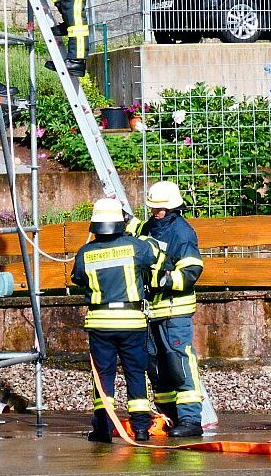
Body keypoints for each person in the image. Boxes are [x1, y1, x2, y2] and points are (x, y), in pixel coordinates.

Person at [71, 198, 164, 443]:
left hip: (100, 323)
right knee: (136, 373)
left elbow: (78, 278)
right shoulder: (136, 247)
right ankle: (141, 429)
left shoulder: (86, 252)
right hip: (132, 322)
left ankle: (103, 429)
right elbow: (157, 258)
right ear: (120, 222)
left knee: (103, 377)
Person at [128, 180, 205, 438]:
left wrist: (165, 280)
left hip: (174, 310)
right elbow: (137, 237)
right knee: (155, 365)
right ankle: (168, 416)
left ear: (172, 208)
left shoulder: (182, 233)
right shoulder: (149, 226)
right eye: (152, 208)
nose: (155, 212)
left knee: (179, 361)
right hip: (151, 310)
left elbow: (192, 270)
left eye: (159, 209)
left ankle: (191, 420)